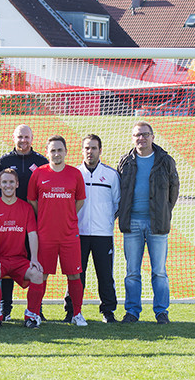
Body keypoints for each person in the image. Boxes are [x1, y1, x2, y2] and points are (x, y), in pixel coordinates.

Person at [117, 122, 179, 325]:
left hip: (157, 224)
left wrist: (163, 212)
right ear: (132, 137)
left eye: (145, 134)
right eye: (137, 135)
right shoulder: (126, 161)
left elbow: (174, 189)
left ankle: (161, 312)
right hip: (132, 223)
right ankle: (132, 312)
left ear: (152, 136)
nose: (141, 138)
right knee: (132, 271)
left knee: (159, 271)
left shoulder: (165, 160)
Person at [0, 124, 48, 321]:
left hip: (32, 218)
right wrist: (6, 206)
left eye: (26, 137)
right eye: (20, 137)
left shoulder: (41, 161)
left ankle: (36, 309)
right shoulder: (5, 160)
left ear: (32, 138)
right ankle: (5, 308)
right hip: (7, 217)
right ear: (13, 138)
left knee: (32, 260)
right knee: (5, 257)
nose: (23, 140)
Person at [27, 135, 87, 326]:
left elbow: (80, 200)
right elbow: (32, 201)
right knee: (40, 274)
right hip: (45, 234)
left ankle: (77, 314)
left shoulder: (75, 174)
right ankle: (34, 314)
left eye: (60, 150)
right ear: (47, 152)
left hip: (69, 234)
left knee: (74, 274)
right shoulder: (38, 174)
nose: (56, 153)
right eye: (53, 150)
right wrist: (45, 215)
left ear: (66, 152)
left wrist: (67, 215)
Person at [63, 134, 120, 323]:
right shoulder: (74, 173)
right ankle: (71, 310)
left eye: (94, 148)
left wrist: (105, 221)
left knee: (105, 274)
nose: (90, 151)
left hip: (103, 234)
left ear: (100, 150)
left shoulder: (111, 175)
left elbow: (116, 203)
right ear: (82, 150)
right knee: (76, 274)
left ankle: (108, 311)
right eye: (87, 148)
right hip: (77, 234)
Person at [0, 169, 44, 329]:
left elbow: (32, 234)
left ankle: (31, 315)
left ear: (17, 184)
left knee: (37, 274)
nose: (8, 185)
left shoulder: (26, 208)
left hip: (19, 259)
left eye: (11, 182)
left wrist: (34, 259)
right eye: (4, 182)